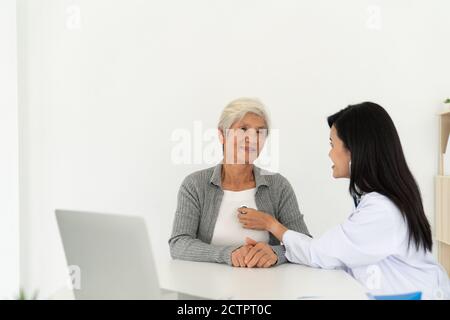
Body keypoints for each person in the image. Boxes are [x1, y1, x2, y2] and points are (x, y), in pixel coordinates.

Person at [239, 102, 450, 298]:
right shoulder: (378, 200)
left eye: (332, 144)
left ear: (354, 151)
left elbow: (321, 253)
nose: (330, 154)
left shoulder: (382, 210)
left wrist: (271, 225)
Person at [169, 98, 310, 268]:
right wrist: (229, 254)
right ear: (222, 134)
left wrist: (275, 253)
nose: (253, 138)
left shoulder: (278, 186)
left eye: (260, 132)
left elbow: (306, 245)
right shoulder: (195, 185)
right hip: (207, 288)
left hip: (264, 289)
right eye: (243, 129)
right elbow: (179, 244)